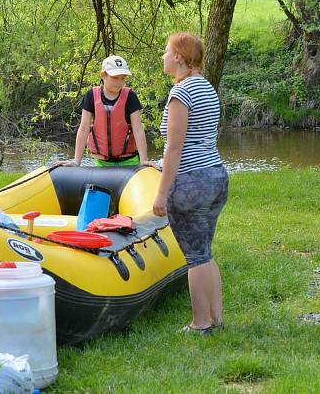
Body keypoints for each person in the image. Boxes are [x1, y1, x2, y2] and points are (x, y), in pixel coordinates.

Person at [152, 32, 229, 334]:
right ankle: (217, 318)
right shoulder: (207, 87)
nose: (163, 57)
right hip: (215, 176)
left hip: (191, 183)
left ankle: (200, 323)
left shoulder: (181, 94)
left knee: (195, 257)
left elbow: (175, 147)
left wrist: (161, 192)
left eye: (166, 51)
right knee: (205, 251)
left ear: (179, 57)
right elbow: (199, 139)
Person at [59, 55, 150, 167]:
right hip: (102, 164)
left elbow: (138, 130)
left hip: (130, 161)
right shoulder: (91, 96)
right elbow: (83, 129)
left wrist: (144, 160)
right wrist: (76, 161)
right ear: (103, 75)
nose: (119, 82)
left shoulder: (130, 97)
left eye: (123, 78)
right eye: (115, 77)